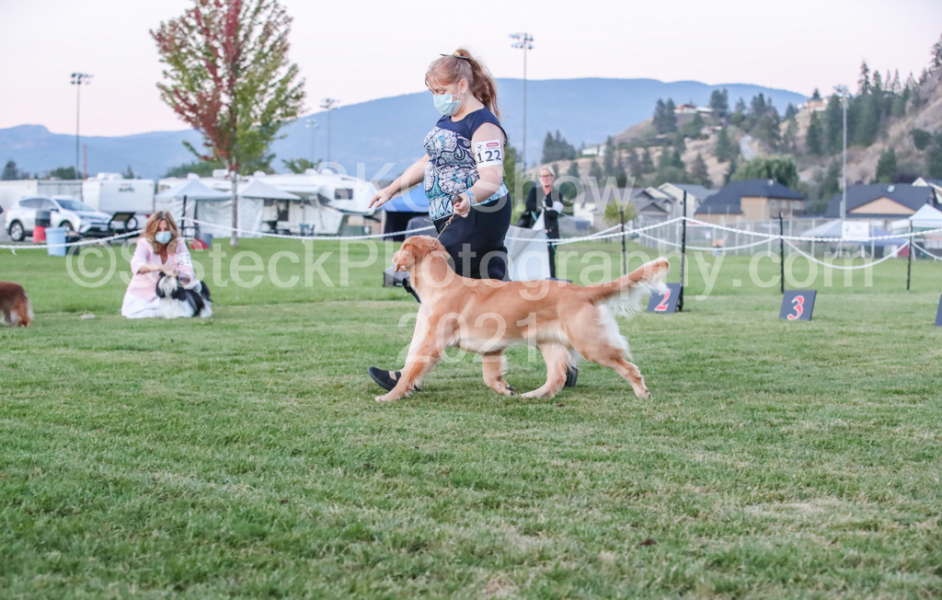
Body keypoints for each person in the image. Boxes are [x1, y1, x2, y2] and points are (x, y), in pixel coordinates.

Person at [367, 48, 512, 392]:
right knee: (499, 295)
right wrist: (391, 189)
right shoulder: (448, 120)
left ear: (462, 85)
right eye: (432, 92)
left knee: (433, 290)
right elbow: (426, 163)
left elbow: (492, 177)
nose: (437, 98)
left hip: (478, 214)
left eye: (441, 90)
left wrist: (469, 196)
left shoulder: (484, 126)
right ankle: (561, 356)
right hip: (451, 215)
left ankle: (408, 376)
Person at [120, 211, 195, 319]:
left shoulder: (179, 245)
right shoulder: (144, 243)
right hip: (142, 295)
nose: (162, 233)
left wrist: (180, 276)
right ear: (152, 230)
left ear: (172, 229)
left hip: (168, 295)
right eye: (159, 230)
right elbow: (136, 265)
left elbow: (188, 271)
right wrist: (162, 268)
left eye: (166, 229)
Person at [525, 165, 566, 279]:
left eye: (547, 176)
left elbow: (554, 213)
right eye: (543, 176)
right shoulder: (534, 191)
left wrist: (540, 209)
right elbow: (529, 205)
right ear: (539, 178)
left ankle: (552, 282)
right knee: (533, 258)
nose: (545, 178)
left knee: (549, 259)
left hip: (551, 232)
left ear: (552, 176)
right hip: (535, 231)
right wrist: (545, 208)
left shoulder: (557, 194)